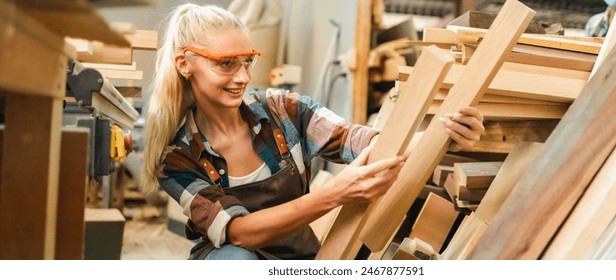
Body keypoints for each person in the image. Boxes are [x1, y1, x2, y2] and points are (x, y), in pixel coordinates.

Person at [142, 3, 485, 260]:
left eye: (247, 61)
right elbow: (238, 232)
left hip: (300, 258)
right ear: (185, 63)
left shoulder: (282, 110)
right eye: (225, 63)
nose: (243, 77)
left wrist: (443, 133)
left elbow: (361, 140)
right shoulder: (176, 156)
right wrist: (337, 193)